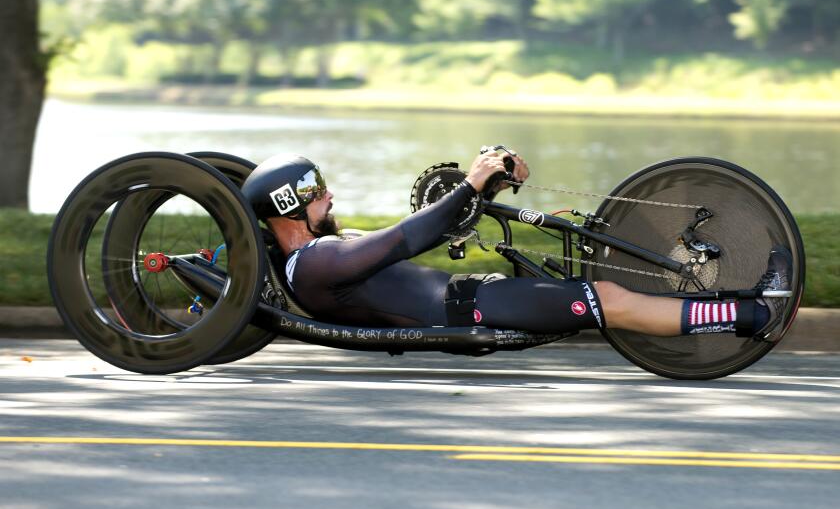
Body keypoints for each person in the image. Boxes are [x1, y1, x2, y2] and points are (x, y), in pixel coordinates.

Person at [240, 151, 790, 338]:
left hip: (478, 296)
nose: (329, 196)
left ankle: (739, 305)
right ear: (289, 205)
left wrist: (490, 186)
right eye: (316, 191)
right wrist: (470, 183)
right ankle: (751, 314)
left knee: (595, 268)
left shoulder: (318, 256)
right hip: (473, 309)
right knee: (610, 301)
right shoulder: (314, 264)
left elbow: (427, 230)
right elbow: (408, 238)